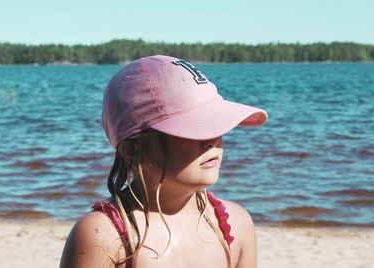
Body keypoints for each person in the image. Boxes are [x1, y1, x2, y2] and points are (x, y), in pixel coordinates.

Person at [60, 55, 267, 268]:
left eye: (217, 124)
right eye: (195, 128)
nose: (212, 139)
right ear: (133, 150)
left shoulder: (236, 225)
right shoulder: (104, 236)